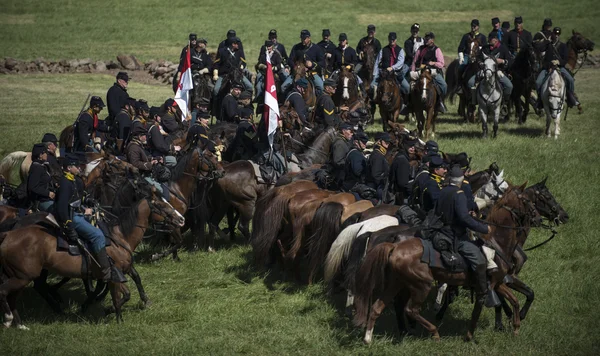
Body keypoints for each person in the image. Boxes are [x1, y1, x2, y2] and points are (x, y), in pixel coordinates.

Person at [435, 164, 492, 300]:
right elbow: (464, 218)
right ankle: (483, 293)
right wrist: (484, 228)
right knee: (479, 260)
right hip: (455, 236)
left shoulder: (442, 191)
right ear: (461, 181)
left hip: (440, 231)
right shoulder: (459, 194)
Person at [55, 153, 111, 281]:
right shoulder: (65, 183)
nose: (80, 168)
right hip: (72, 216)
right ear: (69, 168)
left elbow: (78, 197)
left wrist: (87, 201)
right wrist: (68, 225)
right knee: (98, 235)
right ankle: (105, 272)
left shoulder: (73, 180)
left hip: (79, 212)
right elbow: (61, 207)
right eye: (77, 166)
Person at [535, 27, 579, 108]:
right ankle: (539, 100)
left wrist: (559, 62)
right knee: (538, 82)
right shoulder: (548, 45)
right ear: (552, 34)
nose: (556, 35)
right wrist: (547, 41)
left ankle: (571, 97)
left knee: (570, 80)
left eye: (558, 34)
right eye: (555, 34)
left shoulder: (563, 46)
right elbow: (539, 49)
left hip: (559, 67)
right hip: (547, 68)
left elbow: (565, 59)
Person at [467, 31, 513, 108]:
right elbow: (478, 58)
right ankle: (474, 102)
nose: (489, 40)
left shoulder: (503, 48)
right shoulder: (485, 48)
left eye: (491, 39)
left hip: (498, 72)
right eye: (489, 39)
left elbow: (510, 61)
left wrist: (503, 61)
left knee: (509, 86)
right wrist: (481, 64)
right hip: (484, 71)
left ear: (496, 39)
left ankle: (504, 102)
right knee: (470, 83)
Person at [411, 32, 447, 113]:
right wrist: (412, 71)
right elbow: (414, 61)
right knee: (411, 85)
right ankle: (410, 104)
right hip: (421, 71)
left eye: (428, 38)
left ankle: (440, 102)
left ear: (432, 40)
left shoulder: (437, 50)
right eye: (425, 38)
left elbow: (441, 63)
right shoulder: (420, 49)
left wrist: (433, 63)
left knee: (444, 86)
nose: (426, 40)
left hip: (433, 72)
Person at [283, 30, 325, 96]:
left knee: (321, 87)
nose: (303, 40)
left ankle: (316, 103)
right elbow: (290, 60)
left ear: (309, 38)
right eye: (302, 38)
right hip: (297, 72)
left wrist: (312, 64)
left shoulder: (316, 48)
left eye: (304, 38)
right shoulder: (296, 47)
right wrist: (295, 67)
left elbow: (322, 63)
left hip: (311, 73)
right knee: (284, 86)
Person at [372, 32, 410, 100]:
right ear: (388, 39)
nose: (392, 41)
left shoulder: (400, 50)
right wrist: (375, 74)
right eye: (390, 39)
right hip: (384, 74)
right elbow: (377, 62)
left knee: (407, 87)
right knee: (372, 86)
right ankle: (374, 101)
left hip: (396, 74)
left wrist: (392, 68)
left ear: (396, 40)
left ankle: (405, 102)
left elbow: (400, 62)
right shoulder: (383, 50)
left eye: (393, 39)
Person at [27, 143, 55, 212]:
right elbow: (33, 187)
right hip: (41, 201)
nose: (47, 155)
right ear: (40, 155)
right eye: (45, 153)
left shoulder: (42, 166)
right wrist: (48, 193)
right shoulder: (37, 168)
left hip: (47, 198)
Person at [390, 137, 417, 204]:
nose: (413, 148)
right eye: (410, 146)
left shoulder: (401, 156)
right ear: (404, 146)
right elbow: (403, 183)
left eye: (413, 146)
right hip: (401, 196)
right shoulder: (402, 160)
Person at [343, 131, 369, 198]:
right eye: (363, 142)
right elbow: (358, 171)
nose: (365, 144)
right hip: (353, 185)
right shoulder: (355, 154)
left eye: (365, 142)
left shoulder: (356, 152)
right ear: (356, 142)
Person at [366, 132, 391, 201]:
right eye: (385, 141)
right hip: (376, 187)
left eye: (388, 141)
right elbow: (376, 175)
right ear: (379, 142)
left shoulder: (380, 153)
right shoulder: (377, 155)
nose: (388, 143)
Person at [329, 122, 354, 188]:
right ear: (343, 131)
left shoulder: (343, 141)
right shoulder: (339, 143)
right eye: (350, 131)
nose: (352, 133)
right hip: (339, 175)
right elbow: (338, 161)